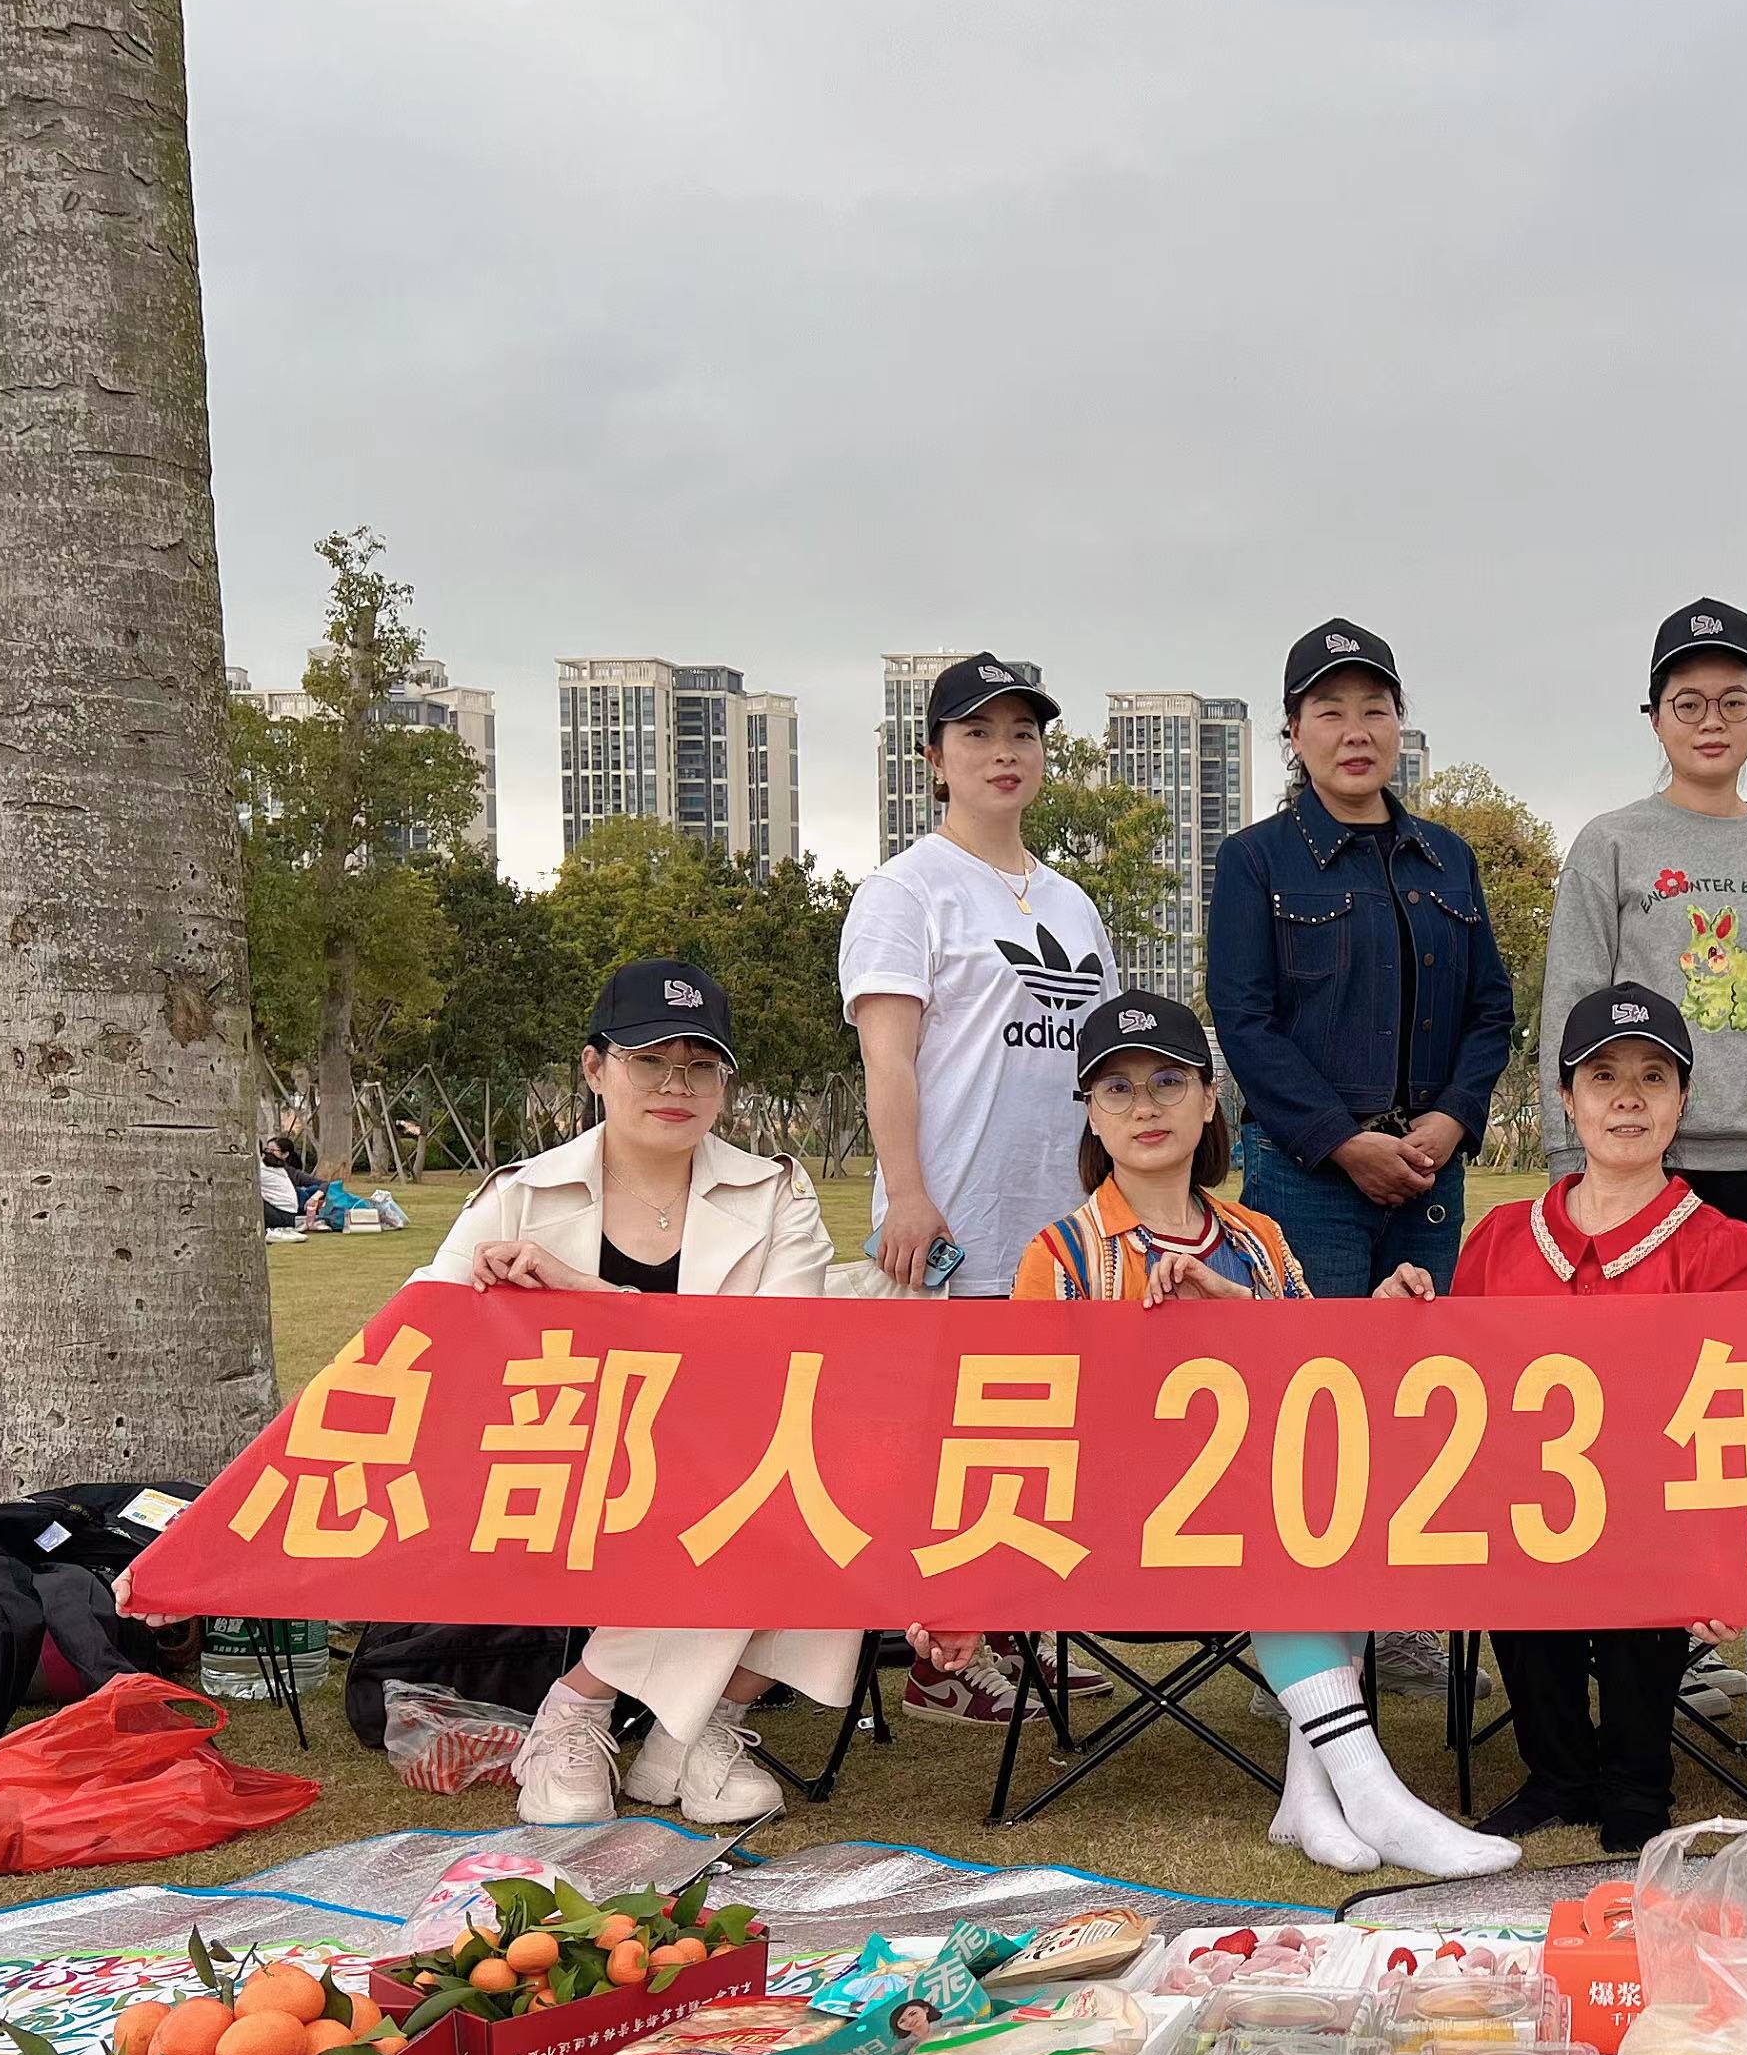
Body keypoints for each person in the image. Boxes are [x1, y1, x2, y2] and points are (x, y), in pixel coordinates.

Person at [906, 988, 1517, 1881]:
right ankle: (1370, 1790)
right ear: (1091, 1117)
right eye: (1115, 1090)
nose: (1144, 1107)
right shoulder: (1060, 1255)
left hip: (1261, 1518)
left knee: (1333, 1492)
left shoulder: (1261, 1240)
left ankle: (1313, 1794)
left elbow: (1324, 1387)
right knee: (1289, 1517)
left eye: (1166, 1081)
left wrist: (1365, 1319)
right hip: (1115, 1542)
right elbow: (1021, 1426)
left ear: (1208, 1099)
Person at [423, 959, 860, 1832]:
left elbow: (773, 1353)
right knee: (753, 1490)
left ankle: (628, 1714)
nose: (675, 1085)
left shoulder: (776, 1192)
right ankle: (660, 1729)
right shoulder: (519, 1193)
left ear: (726, 1084)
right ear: (595, 1069)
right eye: (648, 1059)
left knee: (827, 1482)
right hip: (563, 1466)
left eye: (700, 1065)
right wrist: (492, 1297)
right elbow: (420, 1335)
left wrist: (581, 1295)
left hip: (725, 1455)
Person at [837, 652, 1115, 1722]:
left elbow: (1100, 1073)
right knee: (949, 1444)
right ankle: (936, 1664)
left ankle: (1013, 1630)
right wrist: (908, 1194)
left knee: (1033, 1443)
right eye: (978, 736)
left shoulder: (1072, 902)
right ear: (933, 761)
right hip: (950, 1222)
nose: (1005, 754)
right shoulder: (906, 891)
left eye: (1023, 735)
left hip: (1058, 1226)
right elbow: (889, 1060)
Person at [1456, 984, 1747, 1852]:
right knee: (1515, 1526)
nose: (1627, 1097)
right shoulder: (1501, 1239)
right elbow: (1459, 1390)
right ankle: (1557, 1770)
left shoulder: (1721, 1245)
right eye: (1602, 1076)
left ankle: (1638, 1777)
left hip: (1657, 1504)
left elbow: (1730, 1408)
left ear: (1682, 1099)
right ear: (1567, 1097)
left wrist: (1724, 1556)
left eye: (1652, 1076)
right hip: (1528, 1506)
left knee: (1647, 1530)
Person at [1206, 618, 1516, 1300]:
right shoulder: (1254, 860)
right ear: (1294, 731)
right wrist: (1343, 1142)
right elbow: (1244, 1022)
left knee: (1424, 1378)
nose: (1356, 731)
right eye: (1330, 711)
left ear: (1398, 725)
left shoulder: (1448, 859)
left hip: (1429, 1170)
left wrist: (1455, 1117)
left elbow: (1491, 1009)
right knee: (1307, 1376)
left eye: (1375, 710)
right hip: (1304, 1176)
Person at [1539, 602, 1747, 1286]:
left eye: (1733, 702)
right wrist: (1565, 1154)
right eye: (1688, 703)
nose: (1711, 723)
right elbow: (1569, 1005)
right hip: (1639, 1155)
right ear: (1656, 717)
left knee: (1740, 1367)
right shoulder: (1608, 844)